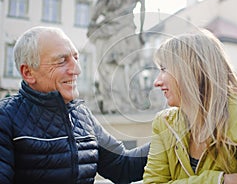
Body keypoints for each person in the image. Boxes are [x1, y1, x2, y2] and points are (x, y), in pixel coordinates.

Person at [0, 26, 149, 184]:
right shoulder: (5, 118)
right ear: (28, 73)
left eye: (76, 58)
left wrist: (172, 135)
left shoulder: (81, 114)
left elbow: (123, 167)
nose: (77, 70)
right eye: (61, 61)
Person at [143, 29, 237, 183]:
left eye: (163, 69)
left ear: (191, 71)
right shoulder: (164, 123)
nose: (157, 82)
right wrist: (219, 180)